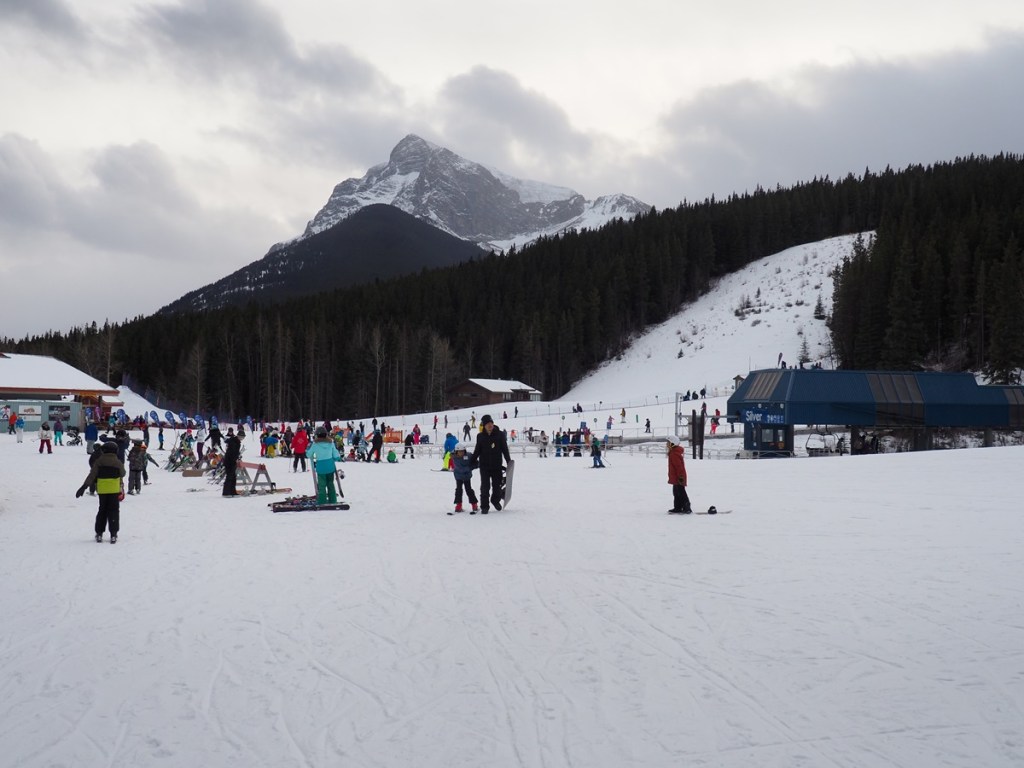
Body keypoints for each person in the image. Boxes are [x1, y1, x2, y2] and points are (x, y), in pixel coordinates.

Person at [76, 440, 126, 542]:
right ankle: (113, 533)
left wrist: (84, 486)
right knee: (114, 511)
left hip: (102, 490)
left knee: (102, 510)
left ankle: (99, 533)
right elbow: (123, 473)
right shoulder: (117, 462)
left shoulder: (98, 461)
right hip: (113, 489)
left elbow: (92, 475)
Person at [471, 414, 511, 514]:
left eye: (491, 423)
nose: (490, 425)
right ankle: (484, 506)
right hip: (484, 466)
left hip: (497, 465)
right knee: (485, 487)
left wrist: (509, 462)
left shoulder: (500, 435)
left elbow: (505, 449)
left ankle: (495, 501)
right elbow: (477, 451)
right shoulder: (480, 436)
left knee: (497, 486)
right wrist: (471, 461)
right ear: (484, 425)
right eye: (488, 424)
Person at [307, 427, 341, 505]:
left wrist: (307, 451)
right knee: (330, 484)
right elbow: (336, 454)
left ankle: (322, 501)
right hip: (330, 466)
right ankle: (333, 500)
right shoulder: (331, 443)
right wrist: (336, 458)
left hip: (321, 467)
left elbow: (309, 454)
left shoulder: (315, 444)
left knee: (322, 486)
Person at [449, 443, 480, 514]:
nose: (461, 453)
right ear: (456, 452)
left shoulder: (468, 455)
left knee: (469, 490)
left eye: (463, 451)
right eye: (460, 452)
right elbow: (461, 469)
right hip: (458, 476)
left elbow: (475, 462)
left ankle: (474, 504)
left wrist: (476, 465)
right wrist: (470, 467)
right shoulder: (455, 457)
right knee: (458, 490)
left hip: (467, 476)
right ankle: (458, 505)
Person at [666, 434, 692, 514]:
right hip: (676, 477)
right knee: (676, 492)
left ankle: (686, 507)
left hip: (679, 477)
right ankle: (677, 507)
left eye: (668, 443)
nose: (666, 444)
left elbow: (679, 467)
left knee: (681, 492)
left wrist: (680, 477)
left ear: (672, 443)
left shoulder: (674, 454)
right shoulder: (673, 452)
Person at [222, 427, 241, 496]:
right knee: (229, 477)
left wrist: (237, 457)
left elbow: (235, 452)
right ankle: (226, 492)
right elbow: (232, 453)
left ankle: (232, 491)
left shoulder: (236, 442)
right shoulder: (234, 442)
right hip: (229, 461)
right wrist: (235, 459)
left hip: (232, 461)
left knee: (233, 477)